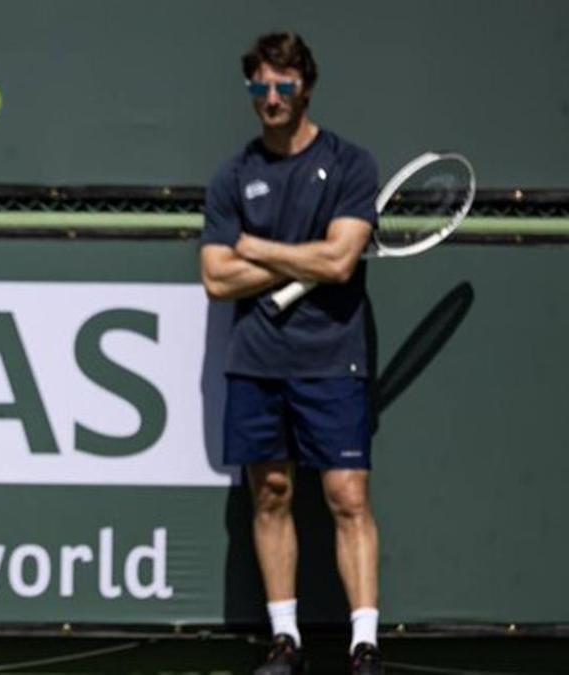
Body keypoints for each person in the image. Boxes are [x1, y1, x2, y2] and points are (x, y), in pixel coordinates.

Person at [199, 32, 383, 675]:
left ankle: (364, 644)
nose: (270, 98)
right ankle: (286, 640)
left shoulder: (352, 165)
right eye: (259, 87)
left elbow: (339, 261)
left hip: (334, 359)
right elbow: (216, 279)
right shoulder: (233, 175)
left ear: (305, 85)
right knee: (271, 494)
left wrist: (255, 247)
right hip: (256, 360)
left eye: (282, 85)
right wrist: (299, 256)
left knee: (347, 496)